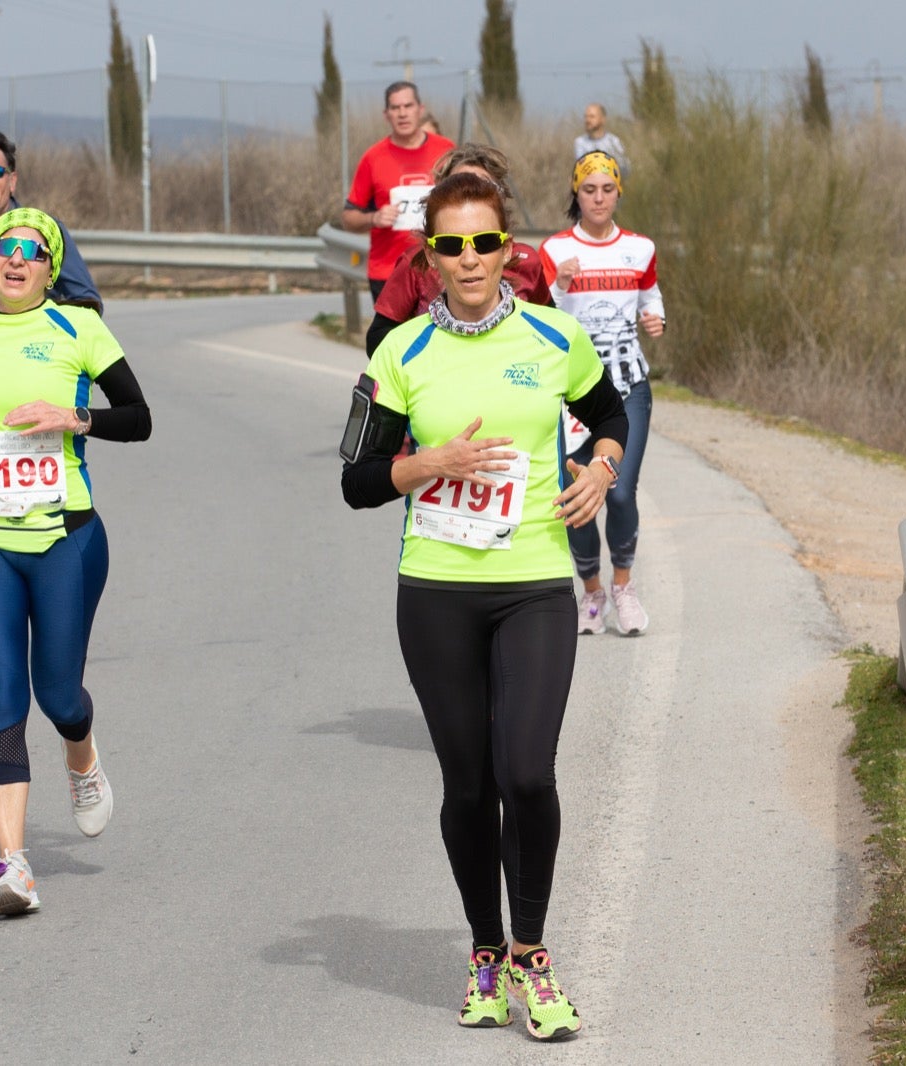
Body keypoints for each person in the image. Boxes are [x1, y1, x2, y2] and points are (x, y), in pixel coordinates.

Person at [341, 171, 627, 1039]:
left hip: (536, 583)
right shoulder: (399, 355)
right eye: (452, 246)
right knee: (468, 785)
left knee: (528, 773)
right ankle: (483, 949)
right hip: (437, 591)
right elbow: (356, 482)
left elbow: (610, 411)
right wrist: (428, 466)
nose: (470, 261)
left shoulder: (553, 335)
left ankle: (533, 957)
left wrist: (602, 471)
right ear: (430, 257)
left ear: (509, 249)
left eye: (484, 242)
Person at [0, 208, 151, 918]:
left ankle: (82, 752)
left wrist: (76, 419)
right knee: (1, 695)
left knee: (60, 697)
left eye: (31, 252)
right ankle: (13, 865)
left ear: (49, 266)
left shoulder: (80, 328)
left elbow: (139, 416)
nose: (16, 261)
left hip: (64, 537)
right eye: (3, 251)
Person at [539, 152, 664, 637]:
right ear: (576, 194)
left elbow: (651, 297)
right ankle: (590, 591)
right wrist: (558, 285)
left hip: (628, 385)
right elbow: (535, 312)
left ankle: (623, 588)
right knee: (575, 491)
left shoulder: (640, 248)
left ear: (618, 193)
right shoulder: (554, 249)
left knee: (621, 490)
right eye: (588, 190)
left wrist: (657, 320)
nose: (597, 198)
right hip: (574, 392)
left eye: (606, 189)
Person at [0, 126, 100, 370]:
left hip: (32, 365)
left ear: (12, 181)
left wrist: (40, 339)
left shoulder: (45, 233)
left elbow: (88, 302)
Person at [365, 143, 552, 357]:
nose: (469, 196)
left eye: (482, 187)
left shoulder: (526, 260)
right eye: (457, 186)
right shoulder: (416, 262)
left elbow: (549, 328)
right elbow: (377, 338)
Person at [341, 81, 455, 300]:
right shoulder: (373, 158)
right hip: (388, 272)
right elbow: (348, 218)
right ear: (386, 114)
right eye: (395, 108)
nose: (402, 114)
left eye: (408, 106)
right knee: (392, 335)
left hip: (438, 269)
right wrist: (374, 217)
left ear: (420, 109)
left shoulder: (446, 150)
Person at [571, 103, 628, 172]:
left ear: (603, 119)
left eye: (592, 117)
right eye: (586, 117)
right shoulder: (580, 142)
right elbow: (580, 167)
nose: (588, 120)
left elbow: (623, 167)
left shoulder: (613, 141)